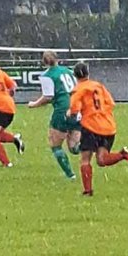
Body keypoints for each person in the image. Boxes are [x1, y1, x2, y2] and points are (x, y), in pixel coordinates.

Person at [67, 62, 128, 196]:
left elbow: (74, 110)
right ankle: (122, 155)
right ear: (88, 73)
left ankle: (88, 191)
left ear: (75, 76)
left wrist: (71, 113)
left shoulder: (78, 90)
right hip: (108, 126)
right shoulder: (98, 86)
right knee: (101, 160)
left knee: (85, 159)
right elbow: (111, 103)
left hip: (91, 127)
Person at [28, 51, 80, 180]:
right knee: (74, 148)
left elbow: (48, 96)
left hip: (62, 109)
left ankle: (70, 175)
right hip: (76, 107)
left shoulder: (47, 75)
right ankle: (93, 145)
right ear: (57, 59)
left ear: (44, 62)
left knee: (55, 144)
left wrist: (34, 104)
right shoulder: (68, 71)